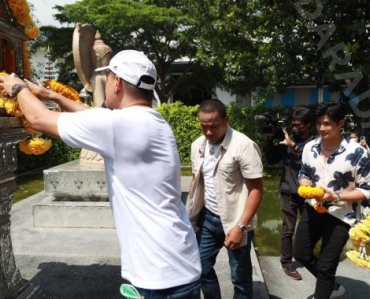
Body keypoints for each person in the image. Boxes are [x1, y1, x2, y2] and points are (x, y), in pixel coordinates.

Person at [0, 50, 202, 299]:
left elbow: (39, 119)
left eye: (107, 79)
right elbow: (92, 116)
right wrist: (52, 95)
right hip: (180, 263)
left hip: (158, 277)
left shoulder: (119, 126)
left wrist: (17, 87)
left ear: (117, 82)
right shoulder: (151, 121)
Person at [186, 99, 264, 299]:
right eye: (204, 126)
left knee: (240, 276)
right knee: (201, 269)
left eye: (214, 126)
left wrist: (241, 227)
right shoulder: (198, 145)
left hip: (235, 221)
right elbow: (196, 180)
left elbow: (256, 190)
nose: (209, 132)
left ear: (226, 120)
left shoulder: (244, 146)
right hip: (207, 218)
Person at [293, 102, 370, 299]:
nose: (322, 128)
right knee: (300, 253)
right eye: (319, 123)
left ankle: (326, 285)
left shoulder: (358, 152)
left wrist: (335, 196)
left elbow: (366, 189)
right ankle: (331, 286)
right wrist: (306, 188)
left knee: (327, 267)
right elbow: (304, 172)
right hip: (313, 209)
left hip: (341, 216)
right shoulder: (310, 147)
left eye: (327, 124)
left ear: (340, 123)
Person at [263, 107, 314, 280]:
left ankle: (308, 257)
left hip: (310, 194)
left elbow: (312, 164)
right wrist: (270, 141)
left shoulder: (315, 143)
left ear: (308, 124)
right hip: (289, 191)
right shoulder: (287, 139)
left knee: (310, 229)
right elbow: (271, 160)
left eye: (299, 125)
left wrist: (293, 147)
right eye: (293, 125)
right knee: (288, 229)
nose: (295, 128)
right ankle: (286, 262)